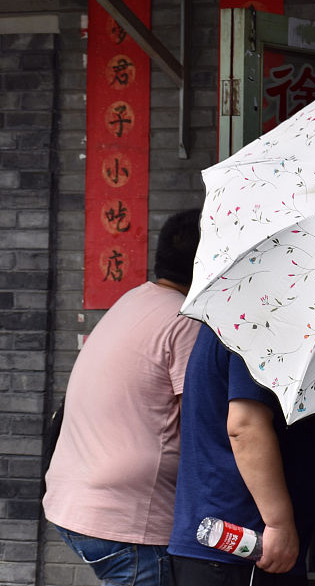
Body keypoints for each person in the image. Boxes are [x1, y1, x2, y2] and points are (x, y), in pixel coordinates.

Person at [43, 208, 204, 586]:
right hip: (125, 519)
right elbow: (200, 425)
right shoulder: (185, 323)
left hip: (74, 501)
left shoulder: (132, 300)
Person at [167, 321, 315, 585]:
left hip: (236, 546)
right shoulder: (261, 316)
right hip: (244, 544)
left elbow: (266, 419)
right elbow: (245, 427)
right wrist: (278, 523)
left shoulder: (238, 313)